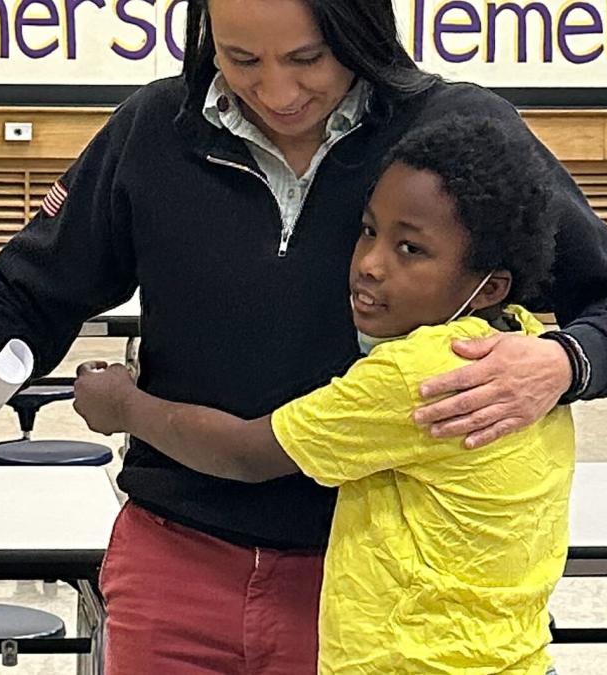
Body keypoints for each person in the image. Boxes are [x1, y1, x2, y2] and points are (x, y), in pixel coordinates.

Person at [0, 0, 607, 669]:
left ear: (359, 29)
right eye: (239, 57)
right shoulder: (155, 131)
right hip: (172, 562)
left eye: (306, 57)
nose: (277, 89)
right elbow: (25, 293)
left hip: (362, 591)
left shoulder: (453, 137)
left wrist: (563, 361)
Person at [73, 116, 574, 674]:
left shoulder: (421, 375)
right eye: (367, 231)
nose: (370, 265)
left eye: (410, 249)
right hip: (511, 656)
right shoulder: (527, 346)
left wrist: (123, 406)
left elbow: (246, 453)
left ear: (490, 286)